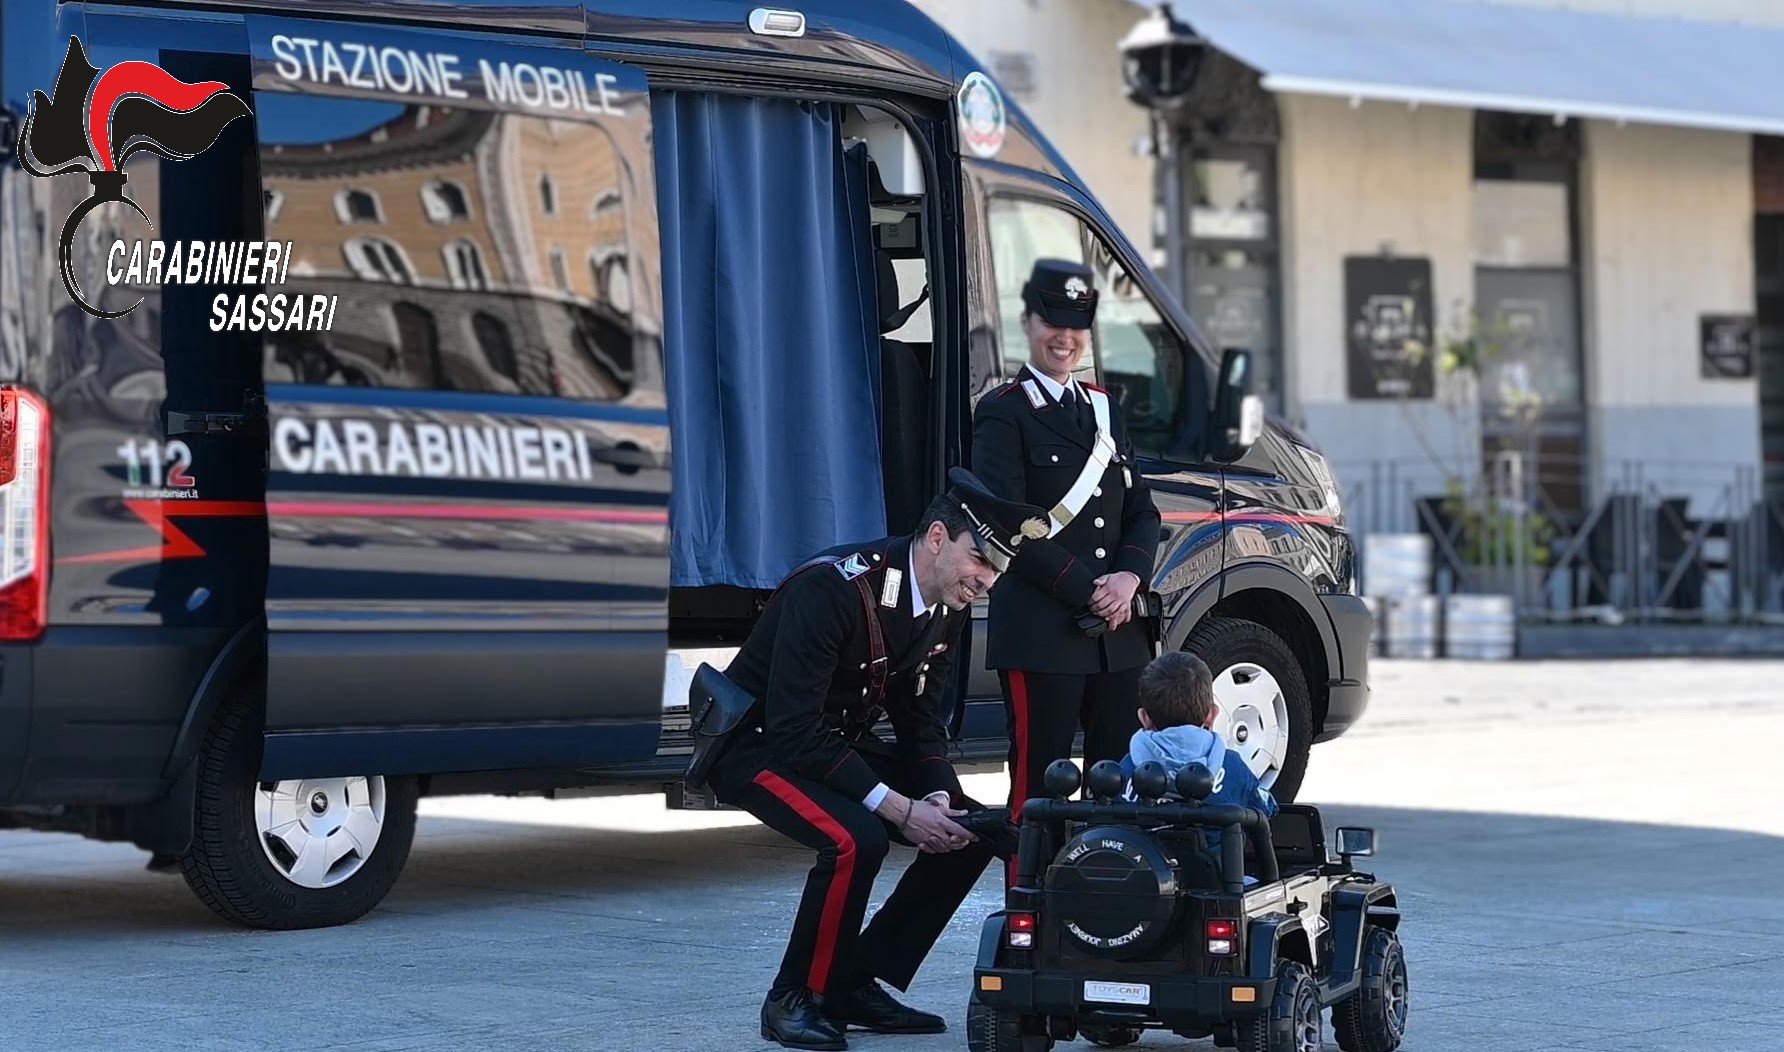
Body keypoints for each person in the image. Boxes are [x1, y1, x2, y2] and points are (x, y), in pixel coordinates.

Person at [710, 467, 1050, 1052]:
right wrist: (898, 808)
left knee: (969, 829)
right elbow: (793, 731)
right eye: (980, 560)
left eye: (997, 570)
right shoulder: (835, 589)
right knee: (855, 839)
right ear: (938, 537)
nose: (987, 581)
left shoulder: (947, 601)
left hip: (829, 745)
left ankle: (851, 982)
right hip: (757, 746)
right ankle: (792, 997)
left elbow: (920, 718)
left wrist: (937, 795)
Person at [970, 258, 1163, 840]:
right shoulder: (1003, 411)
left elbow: (1141, 511)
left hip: (1118, 637)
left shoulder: (1105, 409)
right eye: (1052, 320)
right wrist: (1091, 590)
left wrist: (1128, 579)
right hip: (1044, 632)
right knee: (1038, 791)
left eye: (1077, 324)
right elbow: (1005, 523)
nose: (1065, 337)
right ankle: (1029, 896)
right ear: (1027, 324)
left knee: (1120, 786)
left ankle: (1107, 891)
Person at [1120, 652, 1279, 843]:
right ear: (1212, 715)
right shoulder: (1233, 767)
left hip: (1144, 861)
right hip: (1216, 862)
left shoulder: (1127, 768)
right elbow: (1265, 811)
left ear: (1144, 718)